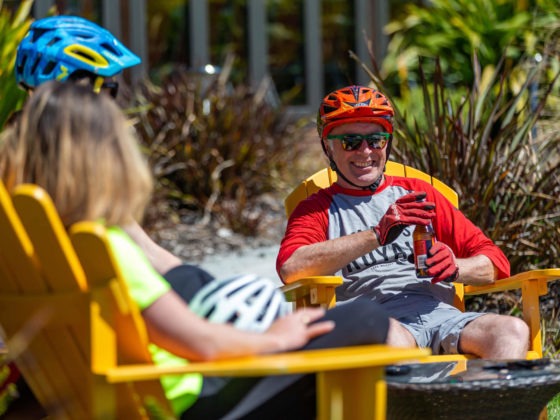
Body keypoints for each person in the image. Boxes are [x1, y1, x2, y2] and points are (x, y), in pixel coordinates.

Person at [0, 81, 390, 419]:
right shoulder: (102, 247)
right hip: (200, 403)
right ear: (108, 160)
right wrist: (275, 338)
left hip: (142, 393)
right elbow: (200, 342)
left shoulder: (34, 253)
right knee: (365, 319)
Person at [277, 85, 529, 359]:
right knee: (392, 340)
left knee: (512, 330)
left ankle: (487, 401)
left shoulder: (420, 194)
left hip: (440, 315)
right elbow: (292, 267)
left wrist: (455, 267)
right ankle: (421, 402)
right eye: (351, 142)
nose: (365, 152)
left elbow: (496, 263)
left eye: (376, 140)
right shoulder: (316, 208)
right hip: (375, 320)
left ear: (388, 143)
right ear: (328, 146)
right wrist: (376, 234)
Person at [13, 14, 208, 280]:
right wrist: (201, 283)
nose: (115, 100)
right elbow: (147, 253)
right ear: (85, 93)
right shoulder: (83, 181)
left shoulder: (11, 170)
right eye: (111, 87)